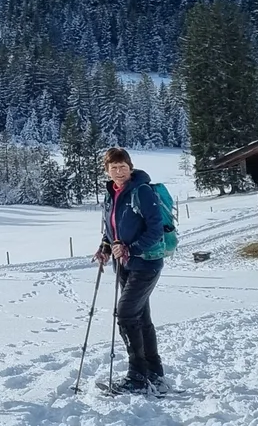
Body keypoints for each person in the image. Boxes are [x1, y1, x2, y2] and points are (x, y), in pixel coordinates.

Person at [95, 146, 166, 393]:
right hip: (124, 264)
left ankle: (137, 377)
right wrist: (105, 247)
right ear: (107, 170)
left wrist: (131, 248)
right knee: (141, 317)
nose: (119, 172)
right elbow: (111, 230)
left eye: (123, 167)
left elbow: (156, 229)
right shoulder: (111, 194)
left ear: (130, 167)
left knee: (125, 314)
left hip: (146, 262)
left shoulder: (141, 191)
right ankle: (154, 373)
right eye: (113, 167)